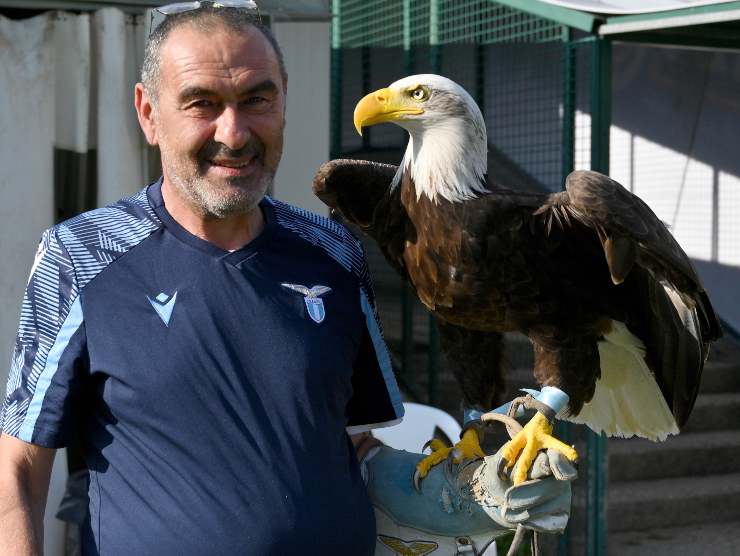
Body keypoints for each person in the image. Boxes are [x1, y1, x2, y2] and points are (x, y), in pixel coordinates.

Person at [0, 4, 572, 555]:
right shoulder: (79, 256)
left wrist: (464, 494)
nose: (235, 132)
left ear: (284, 103)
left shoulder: (336, 254)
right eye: (202, 103)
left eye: (257, 99)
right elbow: (18, 470)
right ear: (149, 113)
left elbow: (352, 446)